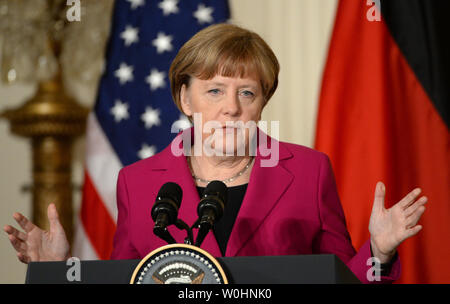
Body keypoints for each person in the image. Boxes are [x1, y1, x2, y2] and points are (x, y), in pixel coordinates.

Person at [3, 24, 427, 283]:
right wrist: (54, 272)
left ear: (262, 103)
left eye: (247, 92)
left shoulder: (310, 172)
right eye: (214, 91)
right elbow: (125, 282)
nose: (231, 107)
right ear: (185, 98)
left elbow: (340, 282)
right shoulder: (138, 181)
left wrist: (379, 251)